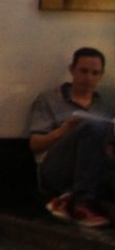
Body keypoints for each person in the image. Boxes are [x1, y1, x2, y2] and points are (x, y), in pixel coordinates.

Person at [27, 46, 115, 228]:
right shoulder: (49, 99)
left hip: (94, 168)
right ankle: (81, 201)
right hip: (55, 167)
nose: (89, 78)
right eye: (83, 71)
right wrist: (65, 129)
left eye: (95, 73)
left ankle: (72, 198)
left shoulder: (104, 106)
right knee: (92, 127)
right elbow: (35, 145)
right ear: (72, 70)